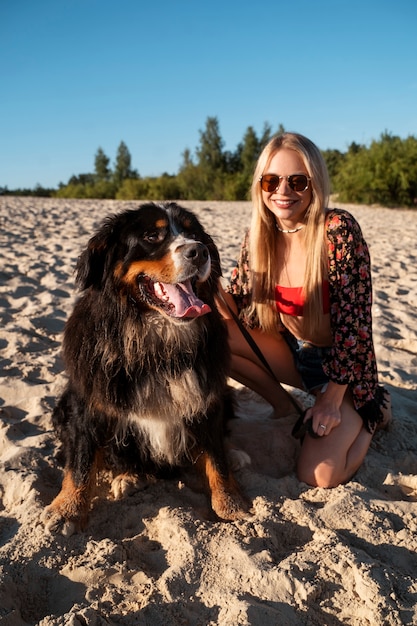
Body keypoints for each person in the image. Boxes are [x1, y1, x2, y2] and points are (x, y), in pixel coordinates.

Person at [218, 132, 391, 488]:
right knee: (212, 331)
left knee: (319, 475)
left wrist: (331, 399)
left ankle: (373, 414)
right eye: (272, 180)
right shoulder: (258, 236)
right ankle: (285, 408)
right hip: (294, 354)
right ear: (260, 185)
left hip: (344, 368)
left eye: (297, 181)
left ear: (314, 185)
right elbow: (237, 302)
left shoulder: (337, 230)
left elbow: (354, 328)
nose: (283, 191)